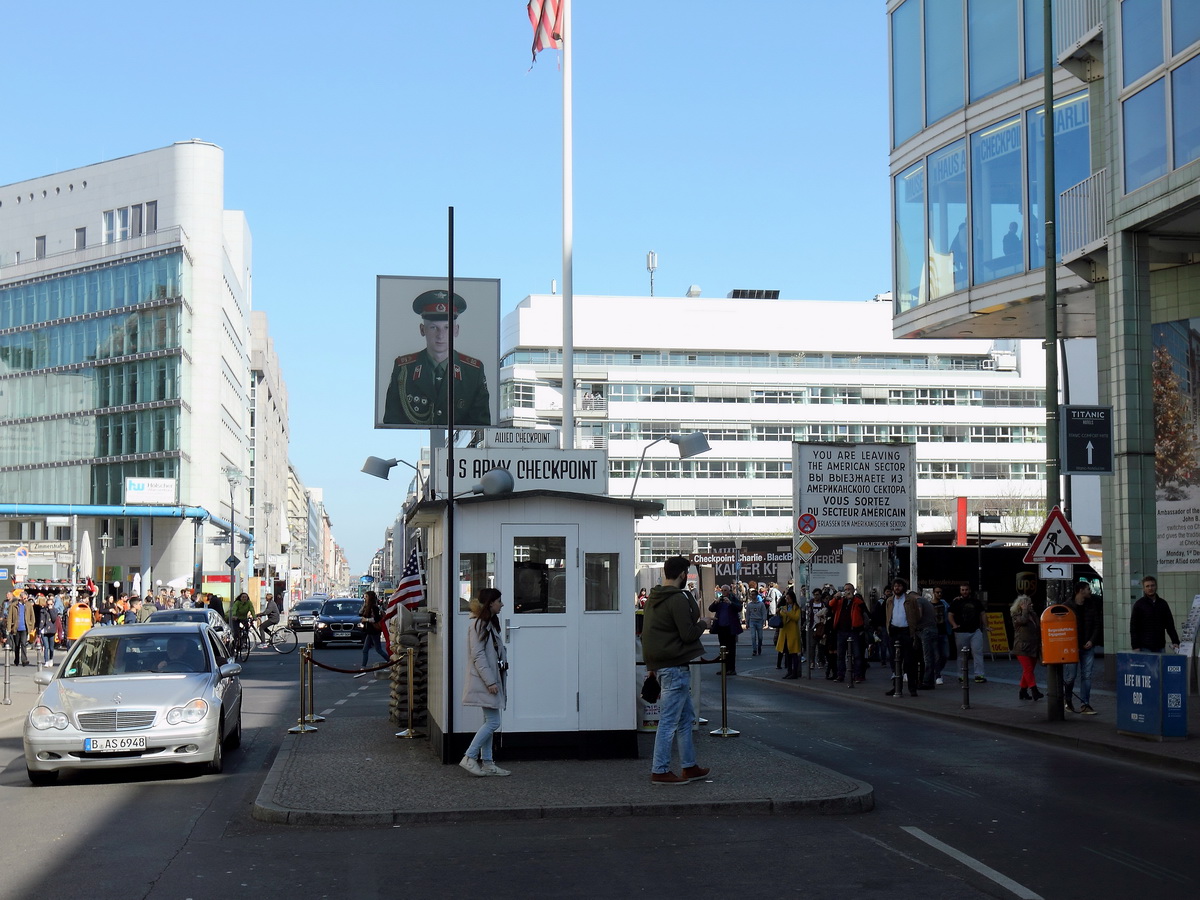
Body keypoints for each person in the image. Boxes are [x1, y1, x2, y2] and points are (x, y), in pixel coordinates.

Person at [641, 556, 711, 786]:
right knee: (670, 721)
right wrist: (704, 623)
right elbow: (688, 634)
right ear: (683, 575)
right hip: (675, 668)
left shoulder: (654, 597)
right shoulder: (678, 599)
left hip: (661, 665)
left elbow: (650, 634)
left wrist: (652, 668)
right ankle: (660, 770)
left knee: (685, 719)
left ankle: (689, 766)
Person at [383, 290, 491, 426]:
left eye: (447, 327)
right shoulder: (404, 369)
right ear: (422, 330)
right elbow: (392, 422)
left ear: (456, 330)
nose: (441, 335)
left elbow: (482, 425)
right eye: (434, 327)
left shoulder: (473, 371)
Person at [460, 587, 511, 777]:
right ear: (490, 603)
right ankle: (470, 756)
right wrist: (490, 681)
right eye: (499, 601)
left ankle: (488, 762)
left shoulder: (487, 623)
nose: (502, 604)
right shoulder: (479, 624)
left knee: (489, 720)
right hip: (485, 680)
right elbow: (478, 655)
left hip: (489, 679)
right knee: (493, 722)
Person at [1064, 582, 1100, 715]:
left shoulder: (1091, 605)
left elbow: (1097, 624)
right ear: (1080, 591)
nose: (1090, 591)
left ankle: (1085, 704)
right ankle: (1067, 700)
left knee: (1087, 676)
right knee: (1071, 676)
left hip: (1088, 646)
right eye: (1088, 589)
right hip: (1072, 647)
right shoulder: (1067, 606)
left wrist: (1092, 640)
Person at [884, 582, 920, 697]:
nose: (897, 588)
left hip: (906, 632)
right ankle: (896, 687)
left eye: (899, 586)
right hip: (894, 632)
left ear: (903, 587)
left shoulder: (911, 600)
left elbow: (917, 615)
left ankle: (912, 688)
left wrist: (913, 629)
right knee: (894, 662)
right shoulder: (890, 600)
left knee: (909, 661)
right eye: (895, 586)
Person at [827, 585, 868, 683]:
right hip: (841, 631)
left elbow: (864, 608)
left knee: (857, 654)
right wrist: (835, 597)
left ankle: (857, 675)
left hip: (854, 631)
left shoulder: (857, 601)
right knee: (840, 655)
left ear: (853, 590)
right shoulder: (840, 601)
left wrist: (853, 598)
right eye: (845, 590)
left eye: (849, 589)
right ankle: (840, 675)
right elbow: (829, 606)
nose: (847, 591)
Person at [948, 582, 987, 683]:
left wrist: (986, 625)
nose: (965, 592)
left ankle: (979, 675)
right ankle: (962, 675)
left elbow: (982, 614)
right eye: (963, 590)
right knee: (961, 655)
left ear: (970, 590)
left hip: (975, 631)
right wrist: (954, 625)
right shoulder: (956, 602)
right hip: (961, 632)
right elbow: (950, 615)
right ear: (960, 591)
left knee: (977, 653)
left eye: (966, 590)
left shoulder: (976, 602)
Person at [1130, 575, 1180, 653]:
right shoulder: (1139, 605)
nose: (1150, 588)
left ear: (1156, 587)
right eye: (1147, 586)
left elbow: (1170, 625)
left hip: (1160, 646)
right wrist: (1135, 646)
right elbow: (1134, 627)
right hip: (1144, 647)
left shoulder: (1163, 604)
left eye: (1152, 585)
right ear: (1144, 589)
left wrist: (1175, 641)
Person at [1011, 590, 1043, 701]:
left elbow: (1038, 628)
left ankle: (1023, 691)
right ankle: (1035, 691)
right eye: (1029, 604)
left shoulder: (1033, 615)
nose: (1031, 605)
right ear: (1022, 605)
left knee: (1028, 671)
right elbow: (1023, 621)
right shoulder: (1016, 616)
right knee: (1028, 669)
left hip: (1033, 647)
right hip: (1022, 647)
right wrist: (1024, 610)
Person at [708, 587, 743, 675]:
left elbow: (739, 608)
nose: (723, 592)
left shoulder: (733, 598)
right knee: (722, 649)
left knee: (731, 649)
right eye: (722, 590)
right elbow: (711, 609)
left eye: (725, 590)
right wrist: (716, 602)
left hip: (730, 628)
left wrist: (730, 603)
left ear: (729, 591)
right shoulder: (720, 601)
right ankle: (724, 668)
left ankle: (731, 669)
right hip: (721, 628)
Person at [776, 588, 803, 679]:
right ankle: (789, 671)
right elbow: (780, 619)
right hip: (784, 633)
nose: (787, 600)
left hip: (793, 633)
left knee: (794, 653)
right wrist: (778, 613)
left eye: (788, 599)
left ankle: (795, 672)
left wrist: (787, 613)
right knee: (787, 654)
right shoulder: (783, 607)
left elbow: (796, 618)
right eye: (786, 599)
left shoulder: (796, 608)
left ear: (792, 599)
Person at [359, 590, 389, 665]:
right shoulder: (367, 607)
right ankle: (363, 666)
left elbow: (376, 619)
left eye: (366, 597)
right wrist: (364, 605)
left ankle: (390, 661)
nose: (364, 598)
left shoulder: (374, 607)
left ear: (370, 598)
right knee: (365, 650)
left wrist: (366, 620)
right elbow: (360, 613)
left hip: (374, 631)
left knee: (378, 649)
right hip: (369, 631)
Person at [7, 592, 34, 665]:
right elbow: (9, 617)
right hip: (16, 628)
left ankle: (24, 660)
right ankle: (16, 660)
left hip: (25, 628)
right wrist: (9, 628)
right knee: (16, 645)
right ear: (21, 598)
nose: (26, 599)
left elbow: (32, 616)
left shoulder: (28, 605)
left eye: (26, 598)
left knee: (23, 644)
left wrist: (31, 626)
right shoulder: (14, 605)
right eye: (24, 598)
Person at [744, 587, 767, 656]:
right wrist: (747, 622)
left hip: (759, 621)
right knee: (753, 636)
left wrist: (764, 620)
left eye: (753, 594)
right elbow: (747, 614)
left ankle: (759, 646)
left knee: (760, 637)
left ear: (756, 595)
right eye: (751, 595)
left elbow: (764, 612)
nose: (752, 596)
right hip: (752, 621)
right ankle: (754, 649)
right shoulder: (749, 605)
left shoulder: (761, 604)